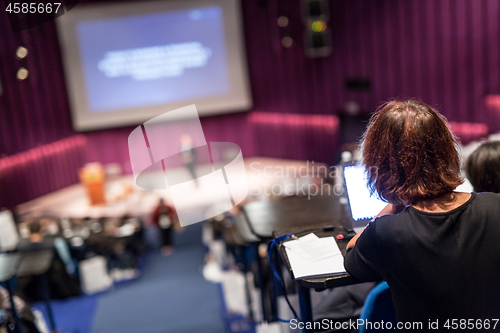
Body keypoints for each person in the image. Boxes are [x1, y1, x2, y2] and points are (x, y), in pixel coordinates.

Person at [343, 99, 500, 330]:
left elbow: (351, 256)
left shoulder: (386, 231)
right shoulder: (495, 205)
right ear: (447, 150)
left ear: (381, 165)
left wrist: (394, 203)